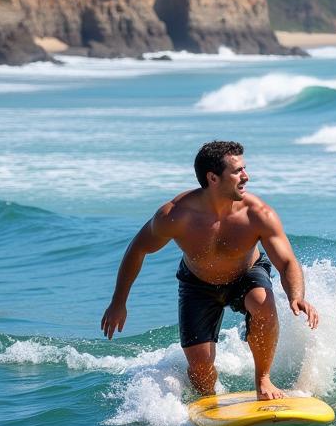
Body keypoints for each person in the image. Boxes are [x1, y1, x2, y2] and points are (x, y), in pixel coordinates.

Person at [100, 141, 319, 401]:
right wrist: (118, 302)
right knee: (201, 368)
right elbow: (137, 249)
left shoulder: (258, 214)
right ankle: (208, 399)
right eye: (237, 171)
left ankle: (263, 380)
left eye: (244, 169)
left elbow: (286, 262)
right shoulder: (176, 215)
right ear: (213, 178)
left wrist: (296, 295)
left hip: (246, 275)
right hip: (198, 283)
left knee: (262, 301)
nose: (246, 176)